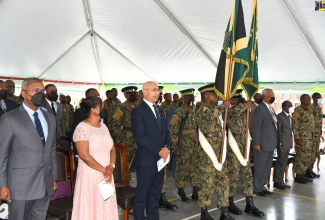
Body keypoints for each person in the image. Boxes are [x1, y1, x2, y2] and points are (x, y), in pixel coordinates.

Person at [0, 77, 57, 220]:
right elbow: (2, 155)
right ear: (23, 93)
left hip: (45, 184)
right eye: (36, 90)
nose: (41, 94)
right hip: (20, 187)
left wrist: (53, 178)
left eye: (42, 91)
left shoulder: (49, 117)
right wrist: (2, 185)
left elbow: (51, 151)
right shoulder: (10, 119)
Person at [72, 96, 118, 220]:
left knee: (105, 207)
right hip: (90, 174)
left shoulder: (103, 127)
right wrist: (104, 170)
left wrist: (111, 166)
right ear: (93, 110)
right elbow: (84, 155)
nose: (104, 109)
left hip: (107, 174)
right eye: (101, 106)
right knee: (90, 207)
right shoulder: (82, 128)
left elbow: (112, 149)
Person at [131, 81, 171, 220]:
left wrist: (166, 147)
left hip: (161, 160)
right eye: (154, 90)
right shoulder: (138, 111)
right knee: (142, 197)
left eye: (158, 90)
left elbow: (165, 131)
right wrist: (159, 150)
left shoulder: (160, 110)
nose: (157, 92)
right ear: (145, 92)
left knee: (154, 196)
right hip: (147, 160)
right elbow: (140, 137)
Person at [195, 83, 233, 220]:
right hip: (207, 152)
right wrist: (224, 105)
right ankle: (204, 213)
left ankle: (224, 212)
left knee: (223, 180)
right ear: (206, 96)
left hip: (219, 151)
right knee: (208, 182)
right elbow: (210, 116)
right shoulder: (201, 110)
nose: (218, 96)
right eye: (214, 94)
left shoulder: (215, 109)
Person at [225, 89, 264, 217]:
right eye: (235, 99)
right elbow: (234, 112)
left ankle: (250, 203)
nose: (237, 101)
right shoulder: (229, 111)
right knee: (233, 175)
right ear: (231, 100)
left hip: (244, 145)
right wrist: (245, 105)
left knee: (247, 174)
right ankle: (230, 202)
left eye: (238, 98)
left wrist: (246, 106)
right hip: (233, 145)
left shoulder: (243, 111)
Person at [170, 88, 200, 201]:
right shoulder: (178, 112)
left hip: (194, 144)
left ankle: (195, 190)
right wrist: (176, 147)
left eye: (191, 96)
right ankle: (180, 190)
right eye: (188, 97)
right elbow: (173, 131)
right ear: (184, 99)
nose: (190, 99)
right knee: (182, 167)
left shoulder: (193, 110)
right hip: (183, 144)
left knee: (195, 167)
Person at [250, 88, 279, 196]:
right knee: (260, 166)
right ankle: (257, 188)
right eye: (271, 95)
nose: (273, 97)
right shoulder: (260, 109)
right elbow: (255, 127)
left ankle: (263, 186)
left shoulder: (270, 109)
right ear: (266, 96)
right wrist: (256, 143)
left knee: (266, 167)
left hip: (270, 143)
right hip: (261, 144)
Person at [113, 86, 138, 180]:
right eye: (132, 94)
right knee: (125, 162)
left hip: (137, 138)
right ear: (126, 96)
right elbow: (115, 124)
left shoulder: (136, 106)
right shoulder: (121, 107)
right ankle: (126, 182)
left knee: (135, 162)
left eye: (135, 93)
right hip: (126, 139)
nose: (135, 95)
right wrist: (120, 140)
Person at [292, 94, 315, 184]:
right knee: (301, 157)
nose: (309, 100)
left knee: (307, 157)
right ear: (302, 100)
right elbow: (295, 125)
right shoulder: (298, 110)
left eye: (309, 99)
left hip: (310, 138)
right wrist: (297, 138)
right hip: (302, 138)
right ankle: (298, 176)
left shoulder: (309, 110)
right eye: (307, 99)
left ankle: (303, 174)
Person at [71, 88, 100, 154]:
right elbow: (76, 132)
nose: (96, 98)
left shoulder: (102, 111)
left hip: (99, 147)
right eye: (94, 96)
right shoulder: (80, 112)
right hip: (85, 147)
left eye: (97, 96)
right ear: (88, 97)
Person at [273, 101, 293, 189]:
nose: (292, 108)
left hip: (288, 143)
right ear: (285, 107)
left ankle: (281, 181)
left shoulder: (289, 116)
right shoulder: (280, 117)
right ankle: (277, 181)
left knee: (284, 162)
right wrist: (280, 144)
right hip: (283, 144)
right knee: (280, 162)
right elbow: (278, 131)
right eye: (290, 106)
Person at [307, 92, 323, 178]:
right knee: (310, 153)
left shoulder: (318, 108)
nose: (321, 99)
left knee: (315, 154)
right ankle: (307, 171)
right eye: (319, 98)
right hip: (311, 135)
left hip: (317, 135)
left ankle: (310, 170)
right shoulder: (311, 108)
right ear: (314, 99)